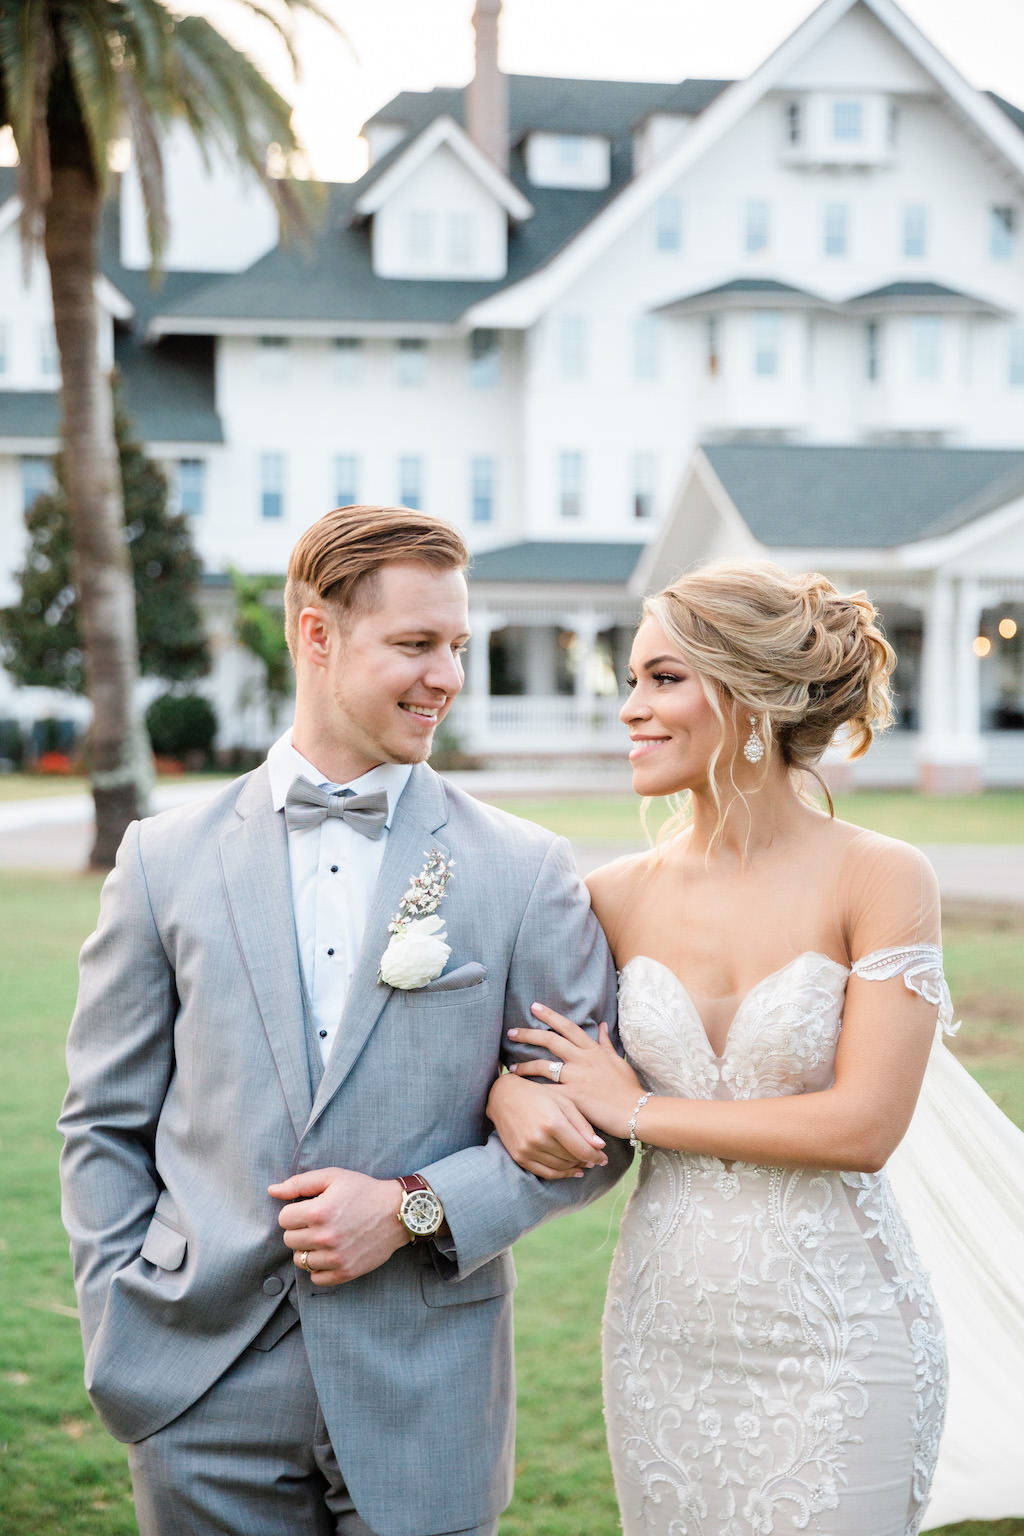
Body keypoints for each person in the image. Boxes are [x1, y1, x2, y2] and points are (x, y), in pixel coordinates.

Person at [58, 504, 629, 1536]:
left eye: (457, 646)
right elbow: (104, 1120)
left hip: (428, 1393)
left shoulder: (523, 867)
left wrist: (414, 1206)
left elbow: (591, 1136)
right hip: (196, 1384)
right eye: (416, 644)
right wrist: (119, 1321)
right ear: (316, 636)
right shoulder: (160, 857)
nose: (448, 676)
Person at [488, 560, 961, 1536]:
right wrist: (507, 1096)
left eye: (663, 678)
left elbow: (864, 1125)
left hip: (840, 1332)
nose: (629, 709)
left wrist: (640, 1110)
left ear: (749, 696)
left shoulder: (878, 877)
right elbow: (527, 1068)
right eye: (630, 680)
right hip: (663, 1333)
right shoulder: (610, 897)